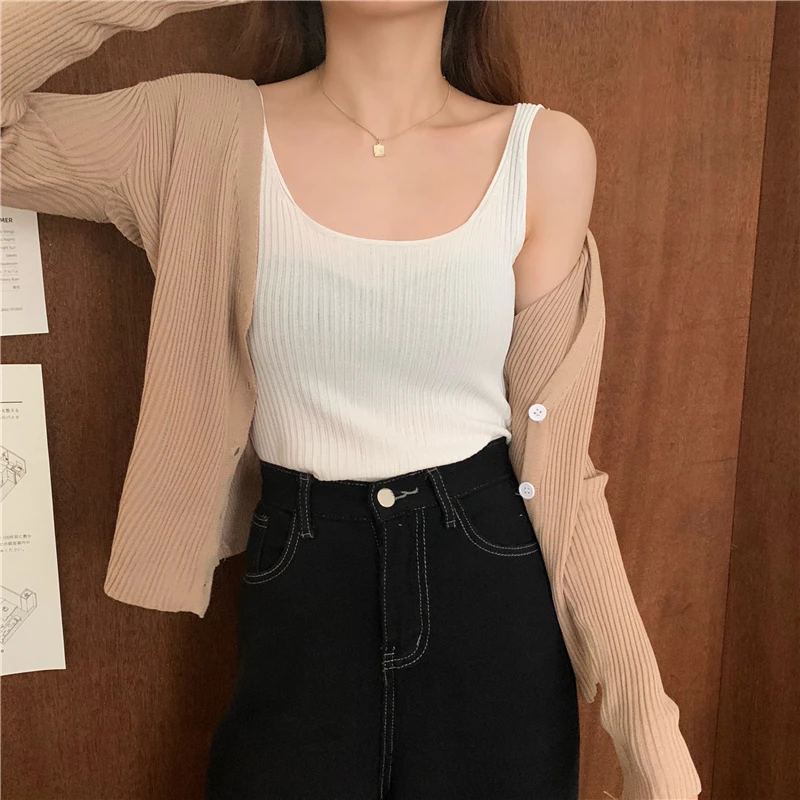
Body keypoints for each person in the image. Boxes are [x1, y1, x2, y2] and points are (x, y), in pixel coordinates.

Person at [0, 2, 702, 799]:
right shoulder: (196, 132)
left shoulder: (542, 152)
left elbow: (560, 467)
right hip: (302, 589)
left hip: (490, 589)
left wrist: (646, 722)